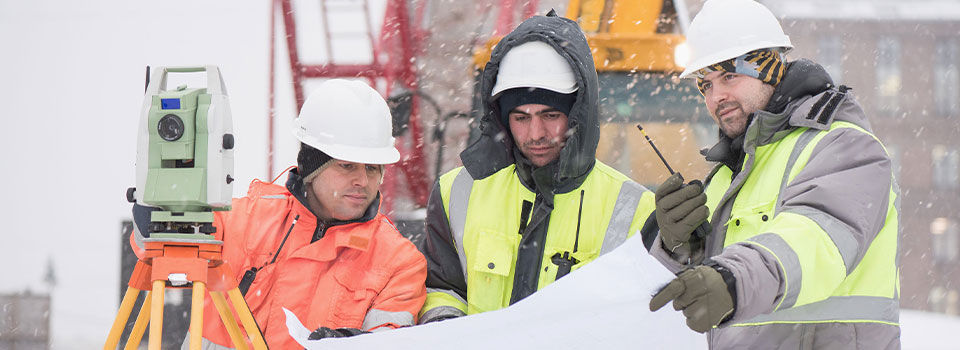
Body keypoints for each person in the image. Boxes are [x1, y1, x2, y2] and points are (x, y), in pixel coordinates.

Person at [645, 0, 901, 348]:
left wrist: (731, 279)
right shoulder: (726, 175)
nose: (715, 97)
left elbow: (812, 242)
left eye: (729, 76)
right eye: (705, 85)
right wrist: (678, 247)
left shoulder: (845, 146)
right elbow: (696, 295)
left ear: (769, 68)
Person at [131, 79, 427, 349]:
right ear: (313, 166)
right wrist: (158, 209)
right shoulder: (249, 219)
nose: (363, 181)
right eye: (347, 166)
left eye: (372, 168)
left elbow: (391, 338)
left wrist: (355, 344)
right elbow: (159, 248)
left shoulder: (399, 262)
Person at [417, 11, 656, 324]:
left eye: (550, 116)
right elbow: (441, 287)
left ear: (576, 115)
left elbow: (643, 316)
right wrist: (446, 329)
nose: (536, 134)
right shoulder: (456, 193)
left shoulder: (636, 208)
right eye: (521, 118)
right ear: (503, 118)